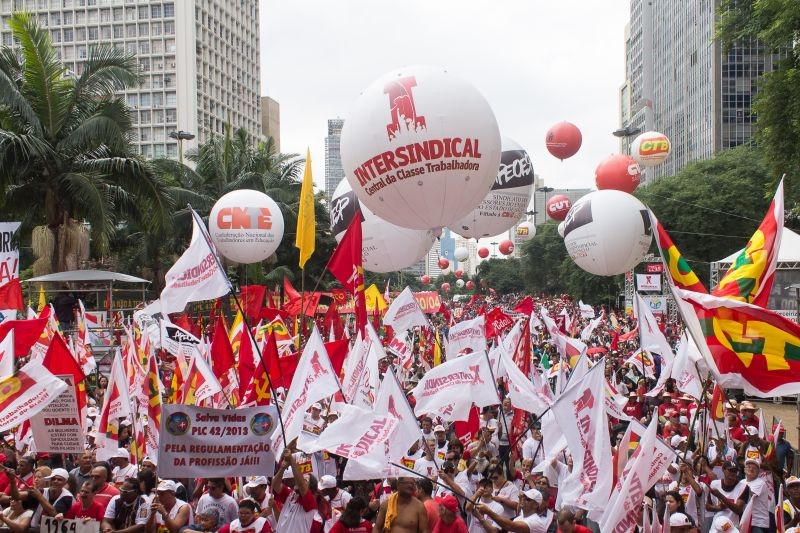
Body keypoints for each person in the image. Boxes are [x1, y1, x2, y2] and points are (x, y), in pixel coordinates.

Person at [272, 448, 325, 533]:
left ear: (310, 487)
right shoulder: (291, 495)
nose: (299, 480)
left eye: (305, 480)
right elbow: (274, 485)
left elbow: (301, 484)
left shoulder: (310, 502)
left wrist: (292, 460)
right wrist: (282, 468)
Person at [477, 488, 555, 533]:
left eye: (527, 499)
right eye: (523, 497)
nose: (523, 499)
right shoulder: (518, 519)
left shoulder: (535, 521)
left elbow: (510, 526)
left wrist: (488, 511)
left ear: (536, 505)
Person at [706, 461, 749, 527]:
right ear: (723, 469)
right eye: (730, 470)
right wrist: (719, 508)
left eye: (735, 471)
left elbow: (738, 510)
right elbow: (708, 506)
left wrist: (720, 495)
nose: (733, 473)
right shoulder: (714, 484)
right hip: (716, 526)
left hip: (733, 527)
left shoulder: (743, 487)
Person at [742, 459, 770, 533]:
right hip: (746, 520)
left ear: (758, 472)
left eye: (754, 468)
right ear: (744, 469)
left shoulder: (760, 482)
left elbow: (749, 495)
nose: (751, 469)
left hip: (757, 522)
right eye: (748, 467)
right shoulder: (742, 482)